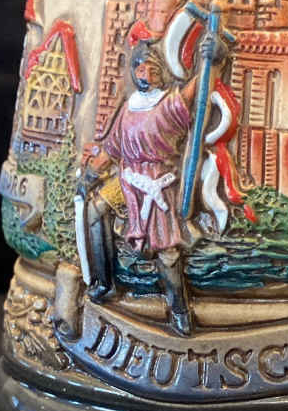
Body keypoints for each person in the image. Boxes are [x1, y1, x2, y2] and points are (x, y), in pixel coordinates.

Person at [85, 32, 225, 337]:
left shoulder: (169, 103)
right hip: (128, 181)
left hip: (159, 184)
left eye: (151, 67)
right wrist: (91, 174)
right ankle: (104, 282)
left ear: (159, 72)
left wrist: (212, 62)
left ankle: (179, 309)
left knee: (167, 253)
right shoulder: (129, 107)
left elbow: (197, 90)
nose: (145, 73)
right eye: (140, 68)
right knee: (96, 210)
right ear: (134, 72)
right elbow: (112, 148)